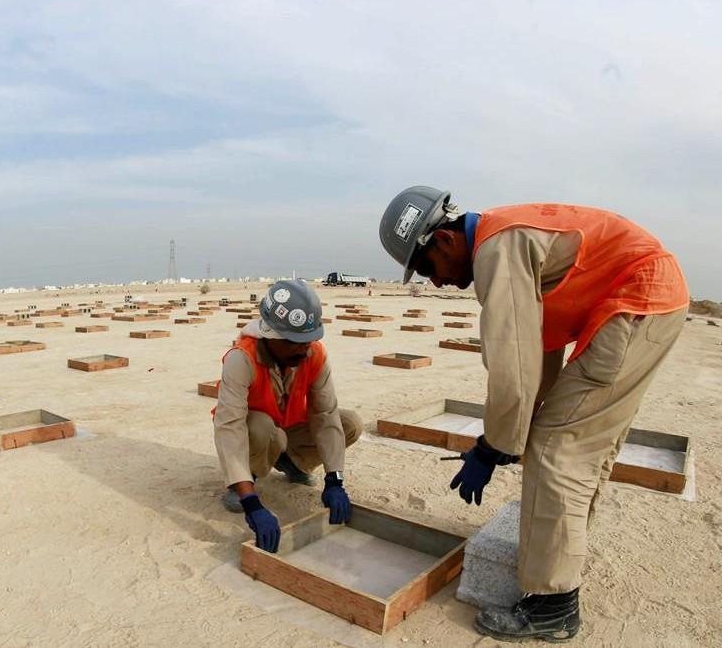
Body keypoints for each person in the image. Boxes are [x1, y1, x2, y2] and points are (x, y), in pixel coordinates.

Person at [379, 187, 689, 642]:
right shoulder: (509, 236)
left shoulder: (496, 250)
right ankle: (564, 553)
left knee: (557, 449)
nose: (437, 283)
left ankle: (553, 606)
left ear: (444, 241)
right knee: (579, 442)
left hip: (636, 302)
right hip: (650, 300)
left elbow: (512, 366)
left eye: (428, 269)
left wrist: (494, 445)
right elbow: (538, 357)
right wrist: (512, 434)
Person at [212, 279, 363, 553]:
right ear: (271, 334)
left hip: (289, 429)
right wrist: (251, 504)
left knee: (349, 423)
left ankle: (293, 463)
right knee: (261, 427)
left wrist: (335, 480)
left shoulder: (313, 354)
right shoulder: (241, 359)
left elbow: (325, 415)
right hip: (258, 432)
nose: (303, 349)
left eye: (308, 340)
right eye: (295, 342)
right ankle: (246, 480)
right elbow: (229, 428)